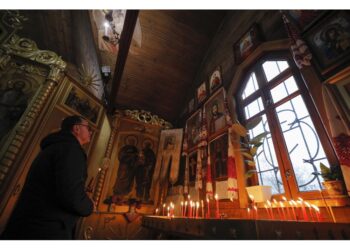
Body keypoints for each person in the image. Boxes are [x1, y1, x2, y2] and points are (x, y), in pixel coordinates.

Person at [1, 115, 95, 240]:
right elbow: (70, 193)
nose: (91, 131)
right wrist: (89, 206)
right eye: (88, 127)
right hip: (47, 229)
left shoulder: (54, 147)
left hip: (30, 223)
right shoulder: (70, 149)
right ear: (76, 128)